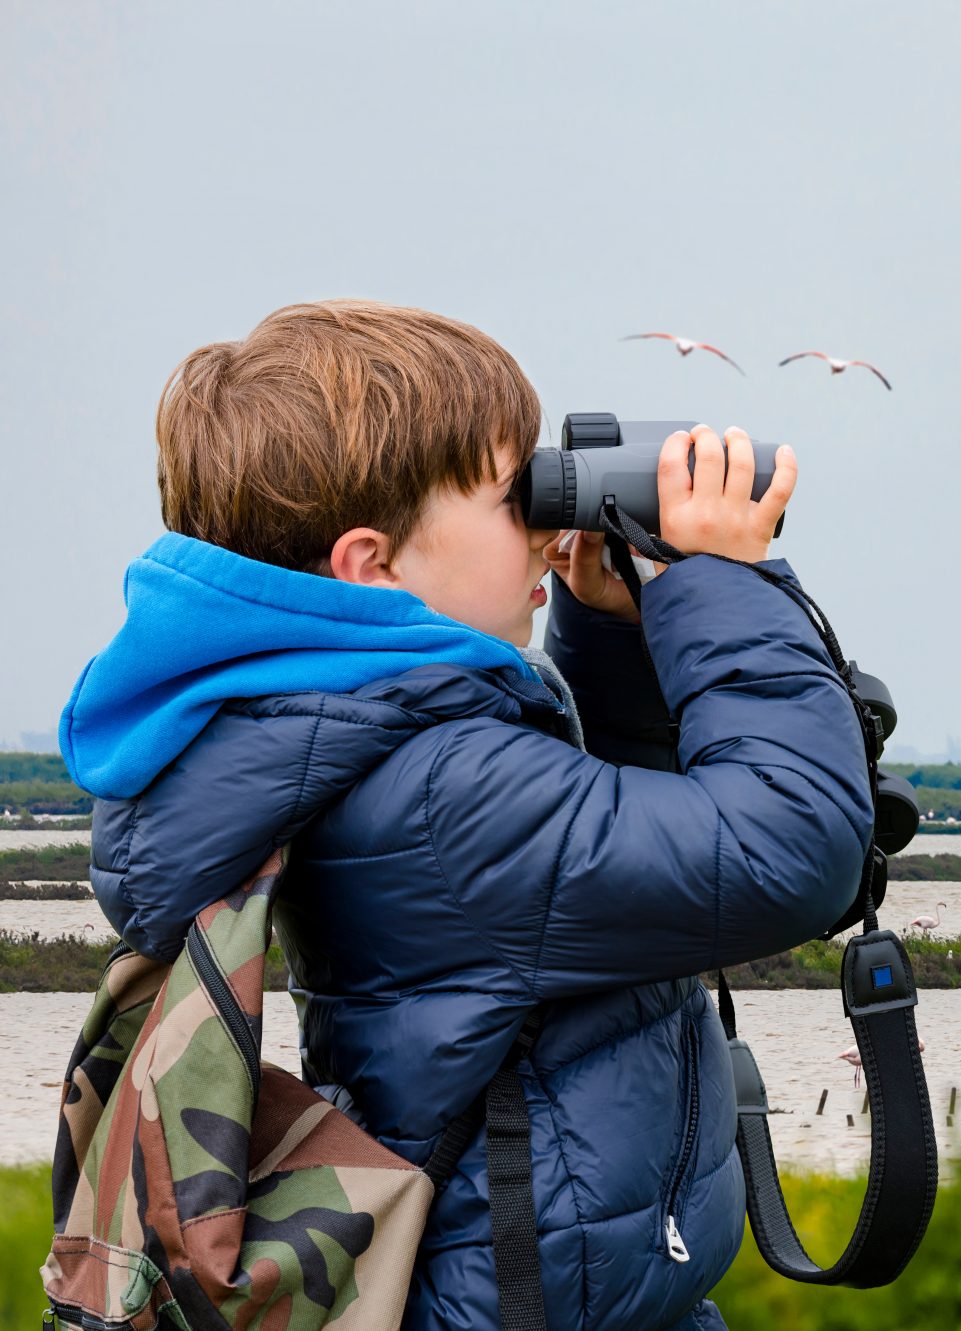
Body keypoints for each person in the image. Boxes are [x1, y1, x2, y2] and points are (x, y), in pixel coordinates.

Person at [56, 300, 871, 1330]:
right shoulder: (445, 788)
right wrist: (721, 584)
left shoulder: (347, 741)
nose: (543, 520)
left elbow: (604, 851)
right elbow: (787, 846)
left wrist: (614, 637)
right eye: (508, 495)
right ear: (371, 564)